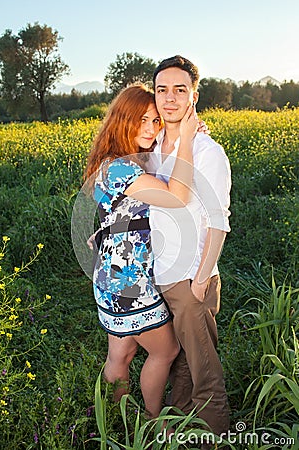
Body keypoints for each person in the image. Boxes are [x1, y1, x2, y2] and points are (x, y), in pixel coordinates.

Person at [84, 83, 199, 419]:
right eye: (142, 121)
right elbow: (177, 197)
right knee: (167, 351)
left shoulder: (110, 161)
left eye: (155, 121)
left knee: (122, 352)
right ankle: (152, 420)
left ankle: (116, 419)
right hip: (128, 282)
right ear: (123, 121)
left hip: (110, 275)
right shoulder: (122, 168)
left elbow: (120, 214)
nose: (150, 129)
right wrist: (188, 140)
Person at [149, 55, 231, 439]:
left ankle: (215, 443)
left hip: (190, 277)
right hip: (162, 275)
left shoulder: (207, 152)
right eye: (162, 89)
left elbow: (218, 220)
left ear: (194, 96)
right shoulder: (154, 144)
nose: (170, 98)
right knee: (181, 367)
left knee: (204, 376)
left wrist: (201, 278)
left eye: (179, 90)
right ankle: (182, 433)